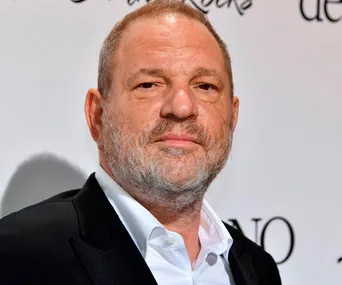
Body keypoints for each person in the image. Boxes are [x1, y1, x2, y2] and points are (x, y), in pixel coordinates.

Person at [0, 1, 282, 284]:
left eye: (205, 86)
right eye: (149, 84)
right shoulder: (17, 256)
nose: (182, 107)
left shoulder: (259, 268)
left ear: (232, 116)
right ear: (97, 115)